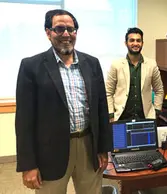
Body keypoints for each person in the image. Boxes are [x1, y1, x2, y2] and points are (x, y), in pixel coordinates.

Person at [15, 9, 111, 194]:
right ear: (48, 32)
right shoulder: (31, 66)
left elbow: (101, 108)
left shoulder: (92, 63)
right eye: (59, 29)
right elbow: (24, 120)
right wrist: (28, 165)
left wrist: (103, 149)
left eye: (71, 29)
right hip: (49, 152)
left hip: (87, 147)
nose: (66, 34)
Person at [106, 27, 164, 122]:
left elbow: (159, 90)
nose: (135, 43)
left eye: (138, 40)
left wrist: (156, 111)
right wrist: (111, 114)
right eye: (132, 40)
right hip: (121, 117)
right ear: (126, 43)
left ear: (142, 43)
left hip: (145, 118)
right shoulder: (116, 65)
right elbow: (108, 92)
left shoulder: (151, 64)